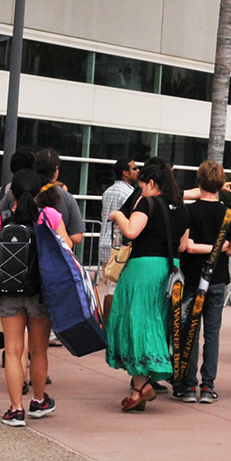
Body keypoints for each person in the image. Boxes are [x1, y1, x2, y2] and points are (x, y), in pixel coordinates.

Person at [0, 169, 74, 426]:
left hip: (8, 294)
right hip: (40, 293)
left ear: (11, 193)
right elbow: (66, 249)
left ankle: (16, 409)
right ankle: (38, 400)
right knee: (38, 350)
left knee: (13, 351)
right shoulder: (50, 216)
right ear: (39, 193)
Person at [108, 159, 184, 413]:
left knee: (133, 320)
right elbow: (183, 245)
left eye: (141, 186)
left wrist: (118, 214)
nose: (140, 191)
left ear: (151, 183)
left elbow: (131, 230)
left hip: (143, 269)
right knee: (153, 322)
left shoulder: (146, 202)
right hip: (169, 268)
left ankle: (141, 386)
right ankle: (141, 385)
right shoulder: (180, 207)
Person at [175, 160, 231, 404]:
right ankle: (208, 386)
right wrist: (220, 247)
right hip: (217, 280)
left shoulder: (188, 211)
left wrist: (197, 248)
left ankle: (189, 385)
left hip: (192, 279)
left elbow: (185, 246)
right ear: (221, 184)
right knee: (212, 334)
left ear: (199, 183)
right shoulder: (229, 214)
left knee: (190, 330)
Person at [93, 156, 138, 319]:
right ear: (125, 173)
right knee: (115, 287)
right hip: (118, 245)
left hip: (105, 241)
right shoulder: (129, 193)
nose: (137, 171)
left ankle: (108, 323)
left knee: (110, 285)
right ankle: (109, 325)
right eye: (134, 168)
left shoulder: (108, 191)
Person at [32, 148, 86, 252]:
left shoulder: (21, 191)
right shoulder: (66, 197)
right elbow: (77, 237)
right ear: (56, 170)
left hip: (25, 258)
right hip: (54, 260)